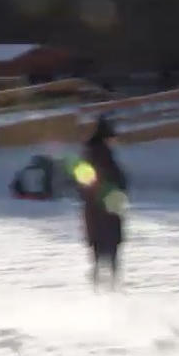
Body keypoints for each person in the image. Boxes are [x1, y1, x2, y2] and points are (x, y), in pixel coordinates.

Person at [79, 115, 128, 291]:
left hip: (94, 209)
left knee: (99, 252)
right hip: (107, 207)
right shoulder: (103, 156)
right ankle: (111, 288)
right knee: (111, 250)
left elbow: (83, 184)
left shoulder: (89, 155)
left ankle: (99, 288)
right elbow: (113, 180)